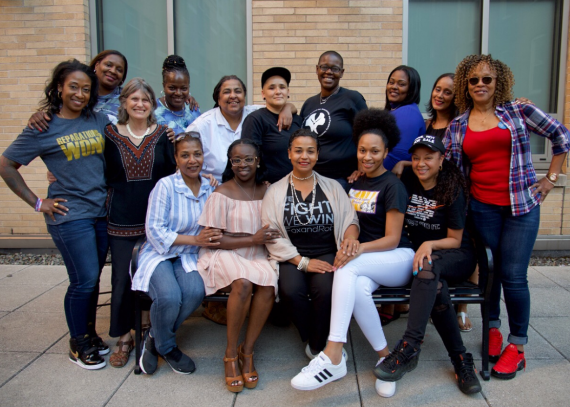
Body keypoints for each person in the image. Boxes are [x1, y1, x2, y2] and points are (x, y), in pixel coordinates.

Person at [444, 54, 570, 380]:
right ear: (465, 85)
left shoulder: (517, 111)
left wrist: (551, 178)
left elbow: (561, 136)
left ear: (498, 82)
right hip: (482, 208)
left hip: (522, 207)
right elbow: (448, 168)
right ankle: (494, 330)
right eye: (474, 80)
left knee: (514, 276)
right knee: (490, 273)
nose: (481, 84)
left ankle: (517, 346)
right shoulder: (459, 124)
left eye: (487, 79)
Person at [289, 109, 414, 398]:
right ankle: (386, 358)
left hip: (397, 257)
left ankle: (333, 352)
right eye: (362, 150)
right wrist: (351, 243)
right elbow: (349, 222)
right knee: (356, 289)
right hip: (367, 262)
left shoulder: (393, 186)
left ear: (386, 152)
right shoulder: (355, 182)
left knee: (344, 268)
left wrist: (355, 249)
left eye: (374, 151)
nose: (367, 157)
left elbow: (393, 239)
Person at [0, 59, 110, 369]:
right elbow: (6, 165)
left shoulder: (98, 120)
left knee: (92, 278)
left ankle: (88, 333)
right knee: (84, 280)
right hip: (69, 214)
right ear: (59, 88)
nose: (79, 93)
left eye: (86, 89)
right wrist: (37, 203)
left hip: (100, 211)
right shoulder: (43, 126)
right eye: (73, 86)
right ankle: (78, 343)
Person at [373, 135, 481, 394]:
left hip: (456, 255)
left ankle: (409, 346)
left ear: (441, 160)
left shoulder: (451, 187)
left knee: (427, 269)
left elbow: (455, 240)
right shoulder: (409, 180)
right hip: (425, 262)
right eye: (416, 157)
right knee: (434, 283)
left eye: (428, 157)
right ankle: (461, 359)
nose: (421, 163)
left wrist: (429, 245)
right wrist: (401, 164)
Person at [261, 128, 360, 361]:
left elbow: (350, 219)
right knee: (291, 292)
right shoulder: (275, 191)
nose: (304, 156)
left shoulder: (333, 187)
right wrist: (303, 262)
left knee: (324, 290)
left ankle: (317, 346)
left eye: (310, 151)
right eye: (298, 151)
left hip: (327, 252)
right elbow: (272, 234)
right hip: (292, 256)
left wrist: (351, 238)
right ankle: (314, 336)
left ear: (317, 155)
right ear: (289, 154)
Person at [104, 78, 177, 368]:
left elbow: (175, 173)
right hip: (121, 218)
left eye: (145, 100)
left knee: (152, 278)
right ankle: (124, 336)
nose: (139, 104)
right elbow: (94, 167)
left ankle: (148, 327)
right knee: (122, 278)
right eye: (134, 99)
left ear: (152, 105)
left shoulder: (163, 135)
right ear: (123, 102)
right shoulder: (109, 134)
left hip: (156, 220)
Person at [134, 134, 220, 375]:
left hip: (189, 255)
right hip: (159, 253)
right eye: (185, 155)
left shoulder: (209, 187)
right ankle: (168, 347)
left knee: (194, 291)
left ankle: (153, 336)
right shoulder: (166, 186)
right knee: (169, 297)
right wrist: (195, 239)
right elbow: (154, 230)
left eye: (197, 154)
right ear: (176, 159)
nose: (192, 160)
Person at [197, 139, 279, 392]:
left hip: (257, 254)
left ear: (258, 161)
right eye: (237, 160)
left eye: (248, 159)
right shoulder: (221, 193)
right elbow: (212, 239)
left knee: (267, 285)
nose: (243, 164)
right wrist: (252, 238)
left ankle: (249, 350)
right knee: (243, 283)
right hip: (224, 253)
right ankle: (231, 353)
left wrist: (258, 242)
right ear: (230, 164)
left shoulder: (268, 191)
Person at [186, 75, 295, 182]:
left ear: (244, 97)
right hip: (215, 187)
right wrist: (199, 178)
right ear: (218, 99)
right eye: (227, 92)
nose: (233, 96)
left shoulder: (256, 114)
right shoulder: (202, 125)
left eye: (238, 91)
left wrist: (287, 108)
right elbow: (184, 157)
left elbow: (277, 106)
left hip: (251, 189)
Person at [300, 51, 367, 189]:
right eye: (324, 67)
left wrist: (362, 166)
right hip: (311, 178)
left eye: (335, 69)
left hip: (342, 179)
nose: (329, 72)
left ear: (341, 72)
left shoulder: (352, 99)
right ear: (317, 69)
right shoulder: (309, 103)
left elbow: (367, 133)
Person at [28, 50, 128, 130]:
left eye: (119, 70)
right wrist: (39, 117)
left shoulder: (128, 99)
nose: (113, 71)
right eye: (108, 65)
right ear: (97, 65)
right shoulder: (77, 96)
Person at [242, 67, 303, 183]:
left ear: (288, 92)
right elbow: (249, 156)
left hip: (298, 187)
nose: (278, 91)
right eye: (271, 88)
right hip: (269, 188)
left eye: (282, 87)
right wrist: (260, 182)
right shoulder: (256, 119)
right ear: (263, 93)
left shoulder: (298, 120)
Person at [384, 65, 426, 173]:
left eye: (401, 84)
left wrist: (369, 174)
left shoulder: (408, 113)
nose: (394, 87)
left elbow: (398, 155)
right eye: (391, 82)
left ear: (411, 90)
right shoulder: (395, 110)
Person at [155, 55, 201, 135]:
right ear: (164, 86)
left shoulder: (193, 109)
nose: (178, 93)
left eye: (184, 88)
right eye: (172, 88)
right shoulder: (153, 111)